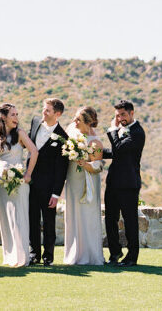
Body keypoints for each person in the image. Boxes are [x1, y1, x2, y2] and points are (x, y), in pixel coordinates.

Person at [0, 104, 38, 267]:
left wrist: (28, 174)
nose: (16, 118)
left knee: (18, 217)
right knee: (5, 218)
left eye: (17, 114)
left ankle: (21, 256)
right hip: (0, 181)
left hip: (18, 180)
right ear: (3, 117)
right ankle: (10, 256)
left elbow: (34, 151)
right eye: (13, 114)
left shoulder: (20, 133)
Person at [103, 99, 146, 267]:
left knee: (130, 222)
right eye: (117, 115)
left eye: (123, 114)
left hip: (129, 184)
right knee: (110, 219)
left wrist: (112, 129)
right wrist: (95, 152)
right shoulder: (120, 131)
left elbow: (120, 148)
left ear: (131, 113)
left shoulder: (137, 132)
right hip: (113, 182)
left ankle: (132, 257)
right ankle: (115, 252)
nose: (120, 118)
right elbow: (115, 151)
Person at [28, 97, 69, 266]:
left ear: (57, 114)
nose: (43, 112)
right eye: (43, 109)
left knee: (49, 221)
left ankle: (48, 255)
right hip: (30, 182)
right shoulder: (35, 123)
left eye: (47, 110)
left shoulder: (62, 137)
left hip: (49, 186)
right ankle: (34, 253)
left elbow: (62, 169)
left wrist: (55, 193)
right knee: (32, 219)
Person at [63, 106, 104, 266]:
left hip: (88, 182)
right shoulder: (72, 133)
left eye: (78, 119)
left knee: (87, 215)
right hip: (73, 180)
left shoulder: (95, 142)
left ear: (87, 122)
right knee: (73, 215)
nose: (74, 121)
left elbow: (98, 166)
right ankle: (74, 253)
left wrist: (84, 163)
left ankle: (90, 254)